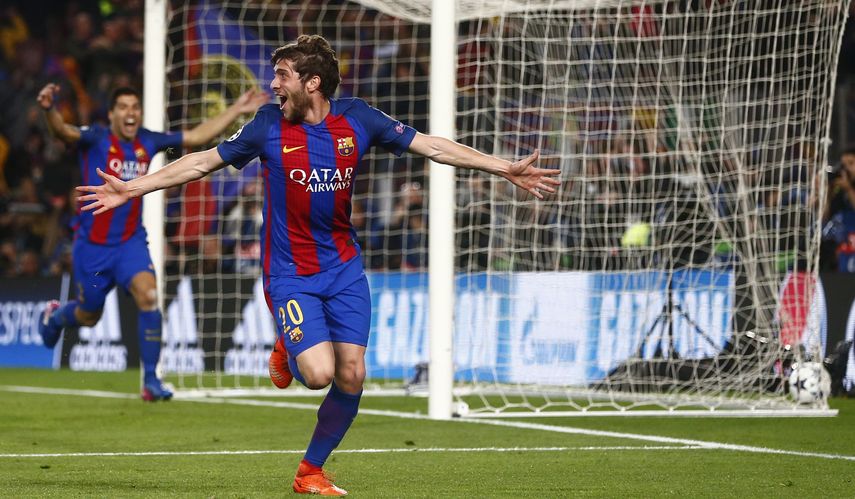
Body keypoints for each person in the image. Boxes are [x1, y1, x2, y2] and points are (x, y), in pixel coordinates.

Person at [77, 34, 560, 495]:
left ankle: (311, 471)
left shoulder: (358, 119)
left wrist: (503, 167)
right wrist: (133, 187)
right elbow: (202, 162)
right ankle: (287, 345)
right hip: (290, 273)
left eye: (282, 75)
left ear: (312, 83)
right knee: (318, 375)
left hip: (345, 267)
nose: (273, 85)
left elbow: (432, 146)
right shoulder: (267, 125)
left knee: (352, 375)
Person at [36, 82, 268, 401]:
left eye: (135, 106)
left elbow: (197, 138)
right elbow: (63, 132)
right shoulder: (96, 138)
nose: (131, 113)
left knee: (149, 296)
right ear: (112, 114)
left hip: (131, 244)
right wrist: (50, 109)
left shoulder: (149, 140)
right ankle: (55, 318)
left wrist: (237, 110)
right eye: (124, 107)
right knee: (89, 315)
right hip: (92, 246)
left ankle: (150, 380)